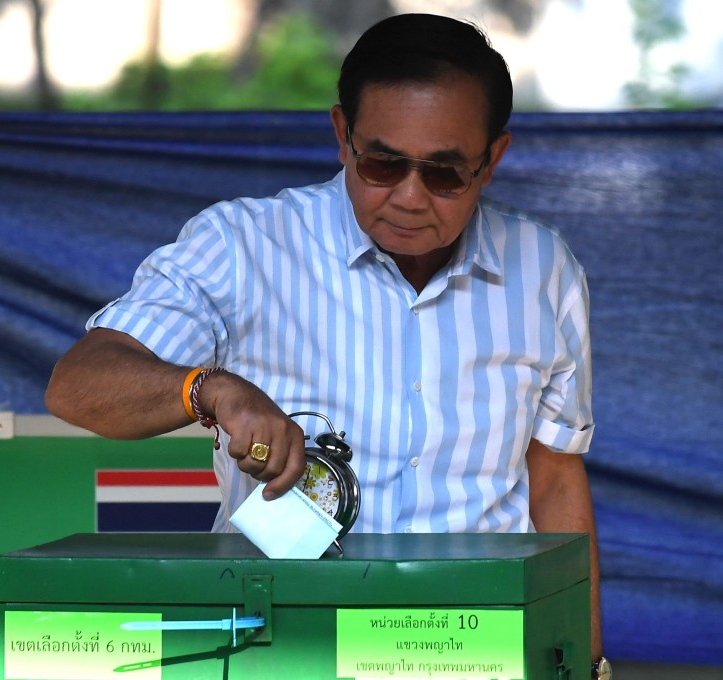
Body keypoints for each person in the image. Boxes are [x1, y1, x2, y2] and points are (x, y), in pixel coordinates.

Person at [46, 12, 608, 677]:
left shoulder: (543, 271)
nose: (408, 196)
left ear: (493, 158)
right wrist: (208, 389)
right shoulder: (243, 246)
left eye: (445, 173)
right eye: (382, 163)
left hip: (477, 648)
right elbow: (77, 386)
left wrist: (587, 661)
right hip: (287, 644)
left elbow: (554, 477)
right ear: (341, 135)